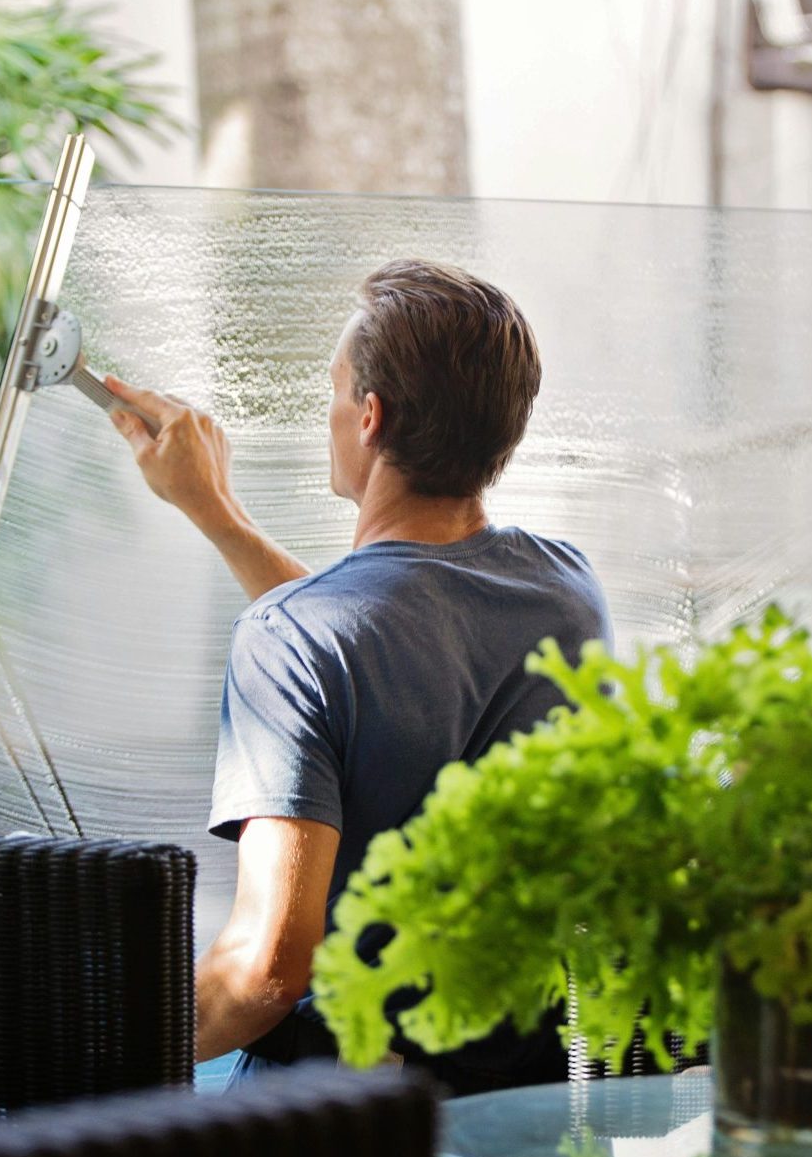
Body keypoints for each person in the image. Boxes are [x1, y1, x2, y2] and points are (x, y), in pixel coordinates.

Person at [103, 259, 613, 1094]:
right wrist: (216, 514)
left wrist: (82, 1045)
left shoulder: (295, 638)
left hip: (340, 1125)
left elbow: (265, 974)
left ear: (368, 418)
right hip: (517, 1100)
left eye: (334, 391)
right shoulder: (567, 592)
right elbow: (387, 636)